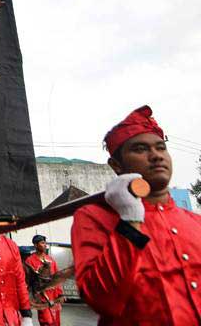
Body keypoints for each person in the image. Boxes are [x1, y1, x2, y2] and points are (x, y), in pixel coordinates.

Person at [71, 105, 201, 325]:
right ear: (116, 165)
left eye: (161, 148)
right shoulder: (94, 218)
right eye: (140, 149)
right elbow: (102, 298)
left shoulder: (195, 222)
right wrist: (131, 220)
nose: (156, 156)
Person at [24, 235, 63, 326]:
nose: (45, 245)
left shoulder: (51, 260)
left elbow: (57, 277)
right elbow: (27, 280)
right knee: (46, 321)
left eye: (45, 243)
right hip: (41, 297)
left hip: (54, 296)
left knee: (56, 322)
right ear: (35, 245)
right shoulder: (30, 261)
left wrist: (60, 294)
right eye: (42, 243)